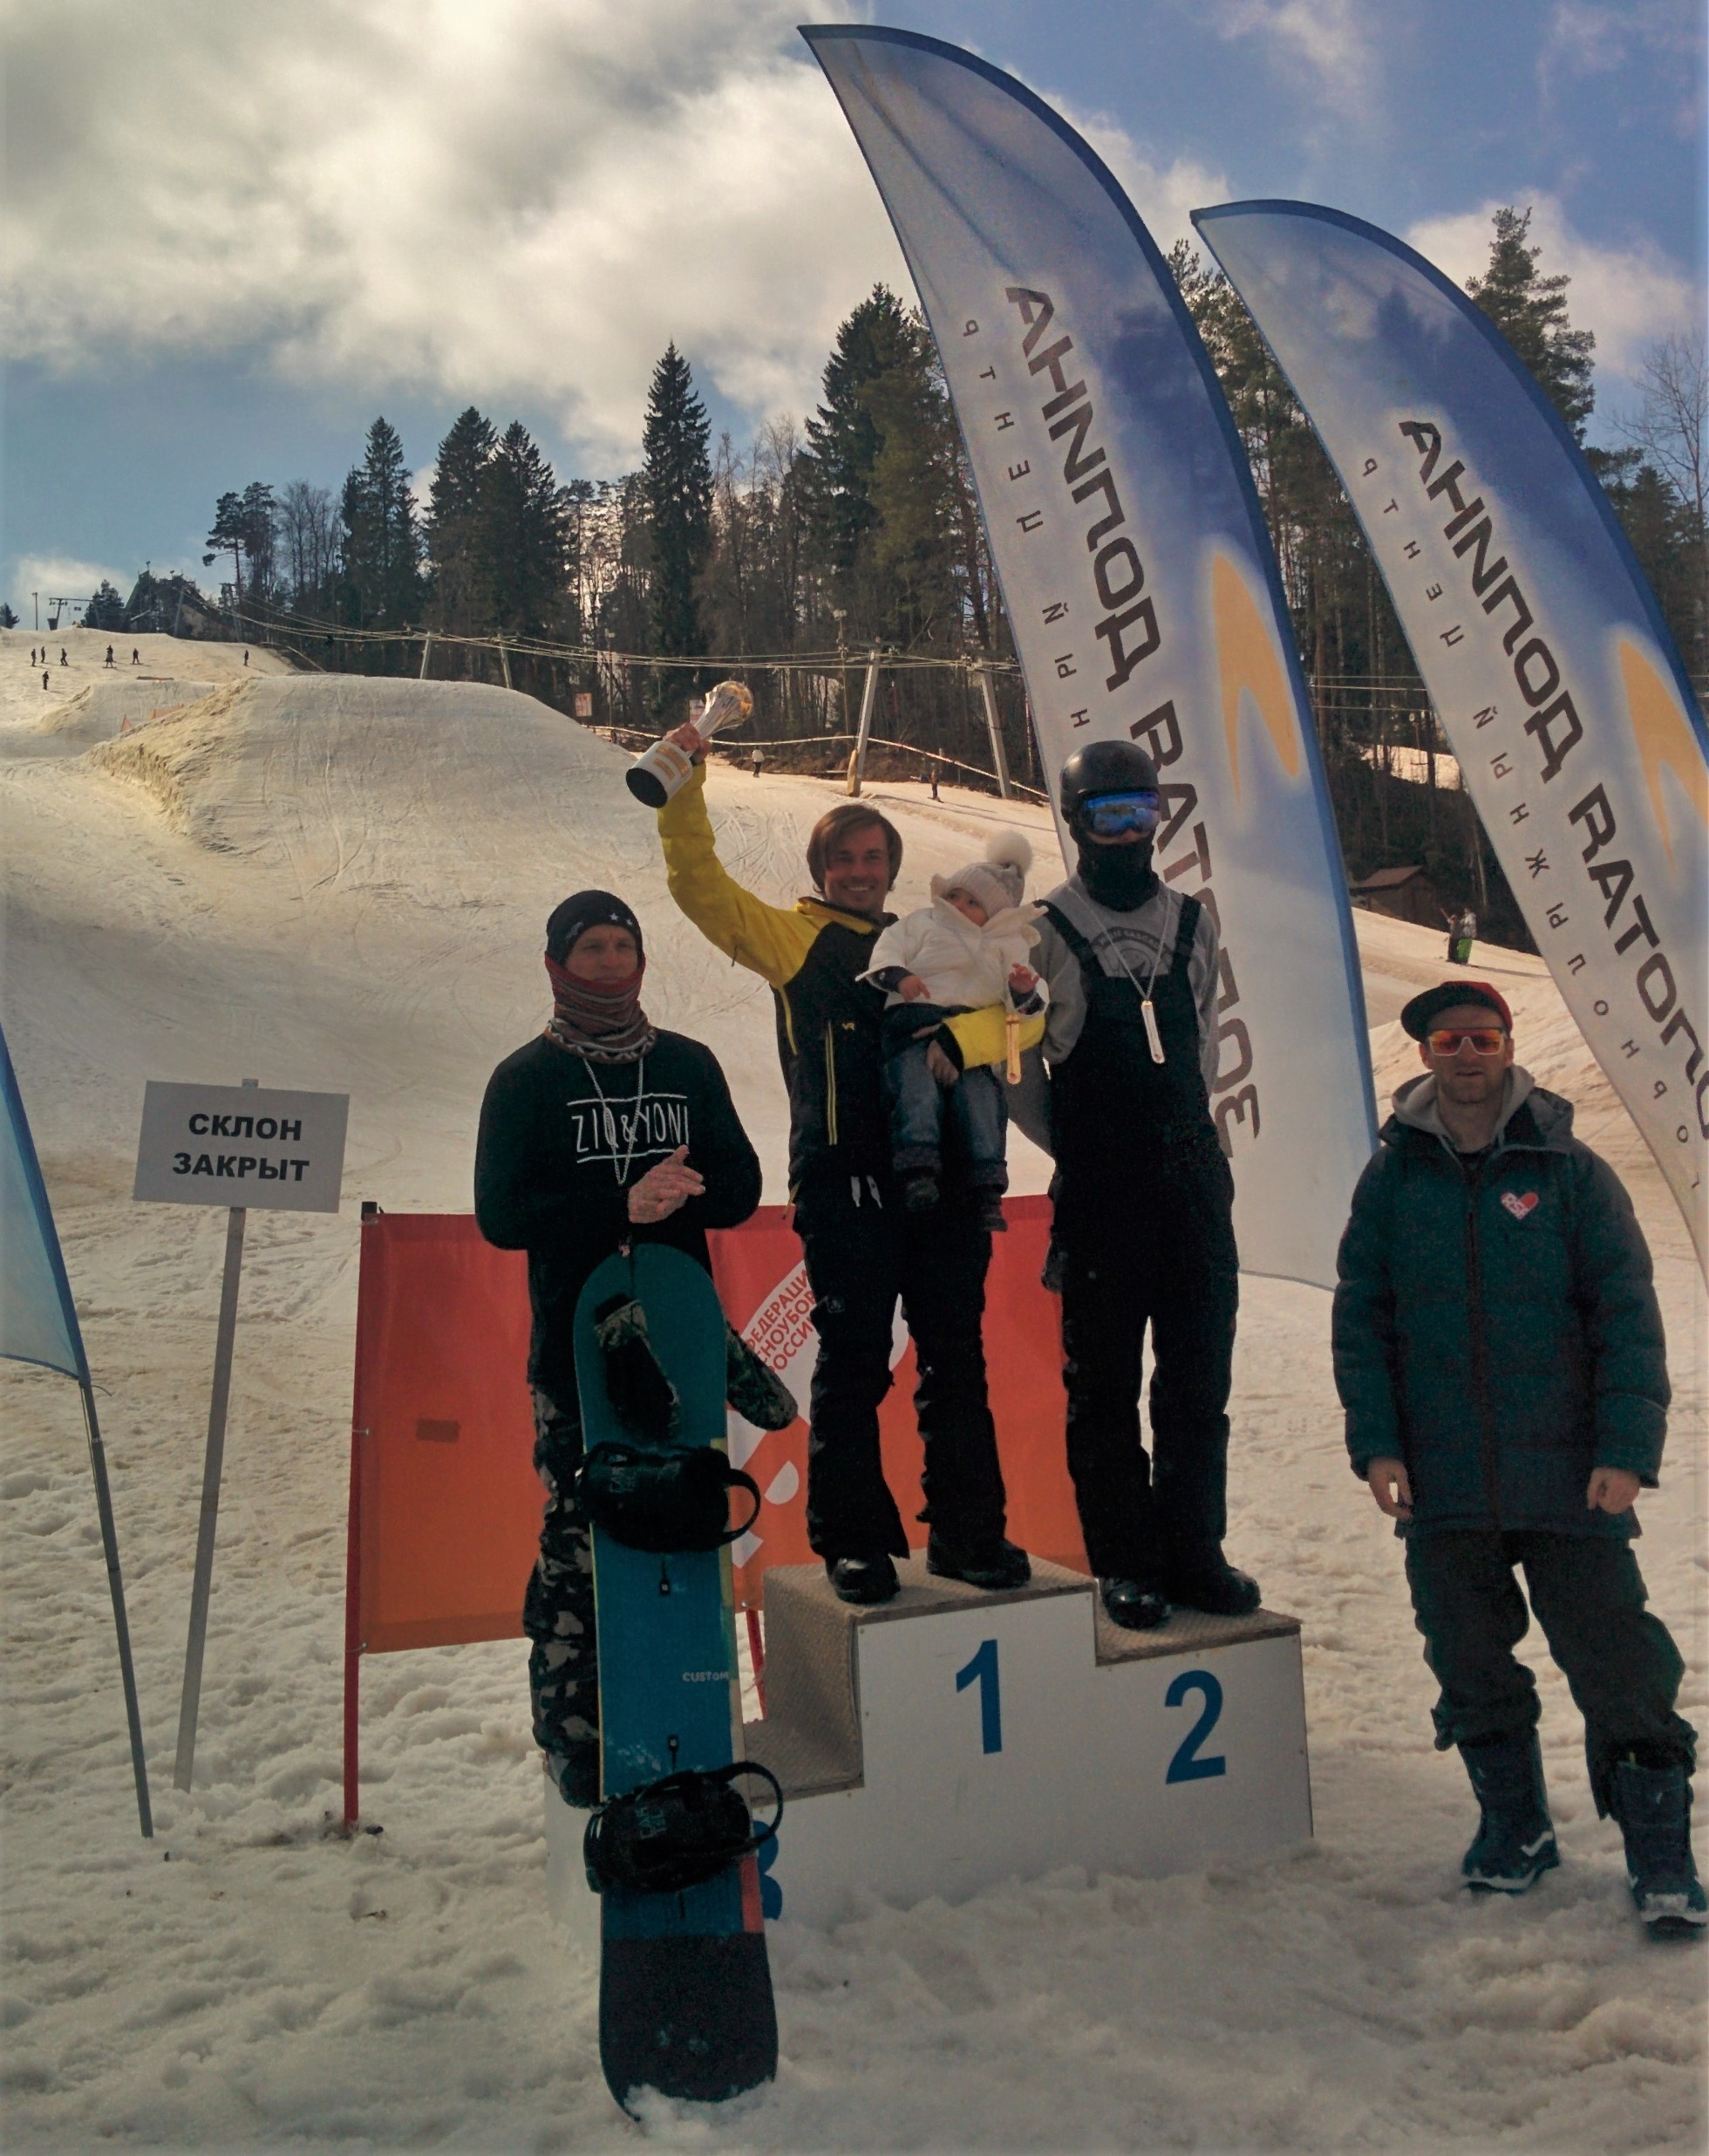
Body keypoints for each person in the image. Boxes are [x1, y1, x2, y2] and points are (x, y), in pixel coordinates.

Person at [1333, 981, 1702, 1934]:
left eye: (1484, 1038)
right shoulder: (1391, 1181)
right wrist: (1375, 1443)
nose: (1467, 1054)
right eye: (1450, 1039)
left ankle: (1660, 1853)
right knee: (1467, 1658)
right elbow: (1361, 1321)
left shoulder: (1570, 1171)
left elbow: (1627, 1320)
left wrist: (1627, 1450)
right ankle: (1516, 1825)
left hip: (1571, 1476)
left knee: (1619, 1661)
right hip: (1442, 1481)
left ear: (1507, 1048)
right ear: (1423, 1054)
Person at [653, 726, 1039, 1605]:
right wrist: (683, 794)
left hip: (939, 1186)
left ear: (892, 866)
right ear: (822, 867)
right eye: (844, 859)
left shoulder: (932, 941)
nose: (860, 871)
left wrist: (971, 1029)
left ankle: (969, 1533)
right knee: (855, 1362)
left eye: (874, 857)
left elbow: (1016, 1036)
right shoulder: (797, 941)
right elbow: (702, 891)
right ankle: (854, 1544)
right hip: (843, 1183)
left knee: (955, 1358)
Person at [474, 890, 762, 1807]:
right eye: (589, 948)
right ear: (558, 964)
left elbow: (743, 1188)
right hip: (576, 1353)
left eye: (620, 945)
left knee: (681, 1524)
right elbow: (500, 1214)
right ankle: (575, 1735)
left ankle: (686, 1714)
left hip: (679, 1339)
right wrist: (617, 1207)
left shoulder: (687, 1063)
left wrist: (688, 1190)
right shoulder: (524, 1080)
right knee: (578, 1535)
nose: (607, 962)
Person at [1011, 738, 1257, 1631]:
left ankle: (1195, 1550)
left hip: (1192, 1186)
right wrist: (1079, 1150)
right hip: (1103, 1192)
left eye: (1138, 814)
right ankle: (1125, 1559)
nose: (1126, 833)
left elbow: (1203, 1037)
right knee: (1103, 1387)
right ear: (1076, 824)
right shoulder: (1041, 928)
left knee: (1197, 1383)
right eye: (1106, 816)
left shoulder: (1193, 921)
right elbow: (1018, 1072)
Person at [861, 829, 1045, 1228]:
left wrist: (1021, 990)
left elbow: (1027, 1008)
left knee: (982, 1100)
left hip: (968, 1034)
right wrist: (898, 976)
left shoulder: (1008, 944)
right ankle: (917, 1166)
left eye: (973, 901)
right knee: (915, 1088)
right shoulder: (925, 922)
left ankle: (987, 1186)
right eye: (955, 894)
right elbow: (890, 945)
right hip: (914, 1019)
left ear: (995, 914)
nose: (958, 904)